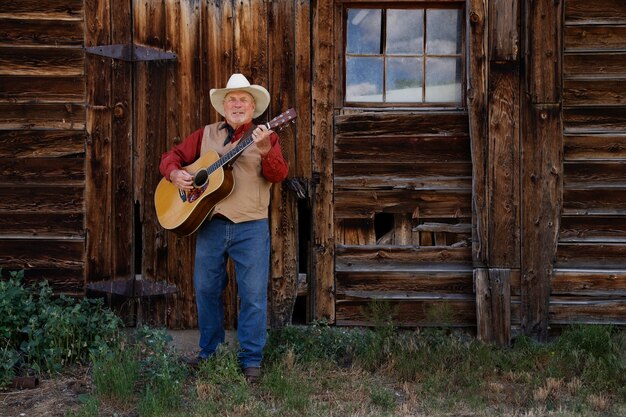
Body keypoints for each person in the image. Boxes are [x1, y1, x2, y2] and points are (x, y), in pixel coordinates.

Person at [159, 73, 289, 382]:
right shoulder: (205, 134)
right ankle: (210, 355)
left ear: (253, 106)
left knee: (254, 295)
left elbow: (278, 174)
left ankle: (251, 361)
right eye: (232, 99)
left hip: (251, 227)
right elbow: (171, 157)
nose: (237, 104)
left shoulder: (266, 136)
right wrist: (175, 174)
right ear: (223, 105)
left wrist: (265, 149)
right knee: (205, 291)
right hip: (211, 224)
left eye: (243, 99)